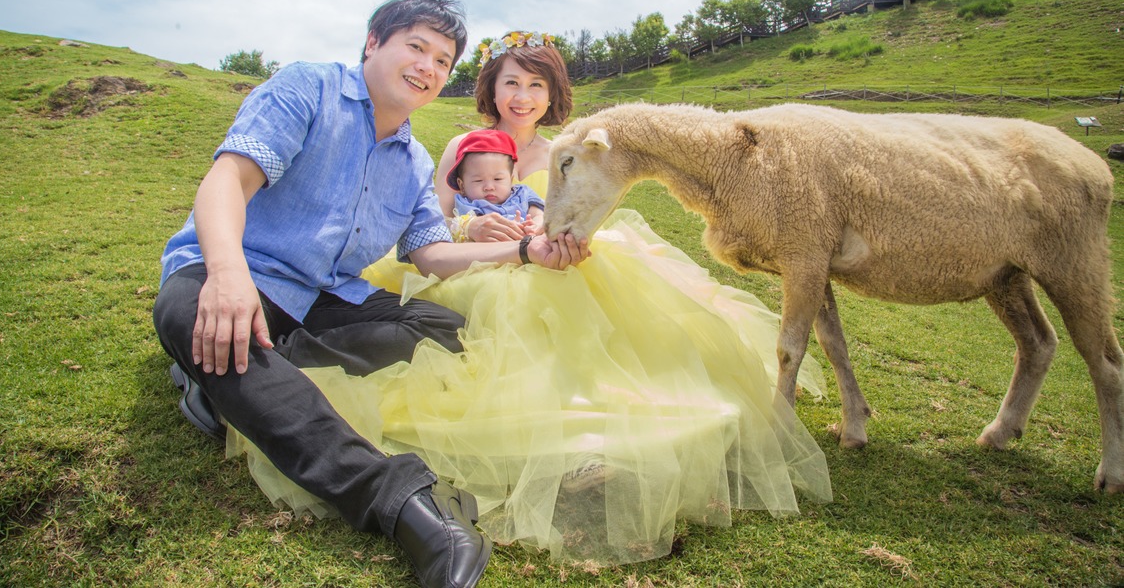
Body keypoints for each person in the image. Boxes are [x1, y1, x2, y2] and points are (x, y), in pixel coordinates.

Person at [231, 31, 833, 566]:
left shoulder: (565, 149)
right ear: (491, 89)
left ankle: (600, 414)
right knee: (491, 311)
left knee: (590, 293)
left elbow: (589, 206)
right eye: (510, 83)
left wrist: (555, 236)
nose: (521, 96)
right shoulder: (461, 144)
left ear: (553, 94)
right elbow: (435, 222)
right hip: (478, 261)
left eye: (535, 85)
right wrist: (474, 229)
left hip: (550, 257)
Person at [152, 0, 587, 588]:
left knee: (441, 329)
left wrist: (524, 249)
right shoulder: (310, 88)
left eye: (442, 59)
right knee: (183, 309)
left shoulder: (412, 162)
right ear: (373, 42)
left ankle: (232, 377)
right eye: (416, 46)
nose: (427, 67)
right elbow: (227, 177)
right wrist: (228, 277)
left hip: (327, 294)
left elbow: (431, 254)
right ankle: (409, 505)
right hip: (241, 270)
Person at [446, 129, 544, 238]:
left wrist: (536, 224)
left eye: (497, 179)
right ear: (462, 185)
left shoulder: (523, 193)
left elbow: (539, 214)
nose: (489, 187)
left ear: (510, 180)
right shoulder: (468, 204)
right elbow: (473, 225)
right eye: (478, 180)